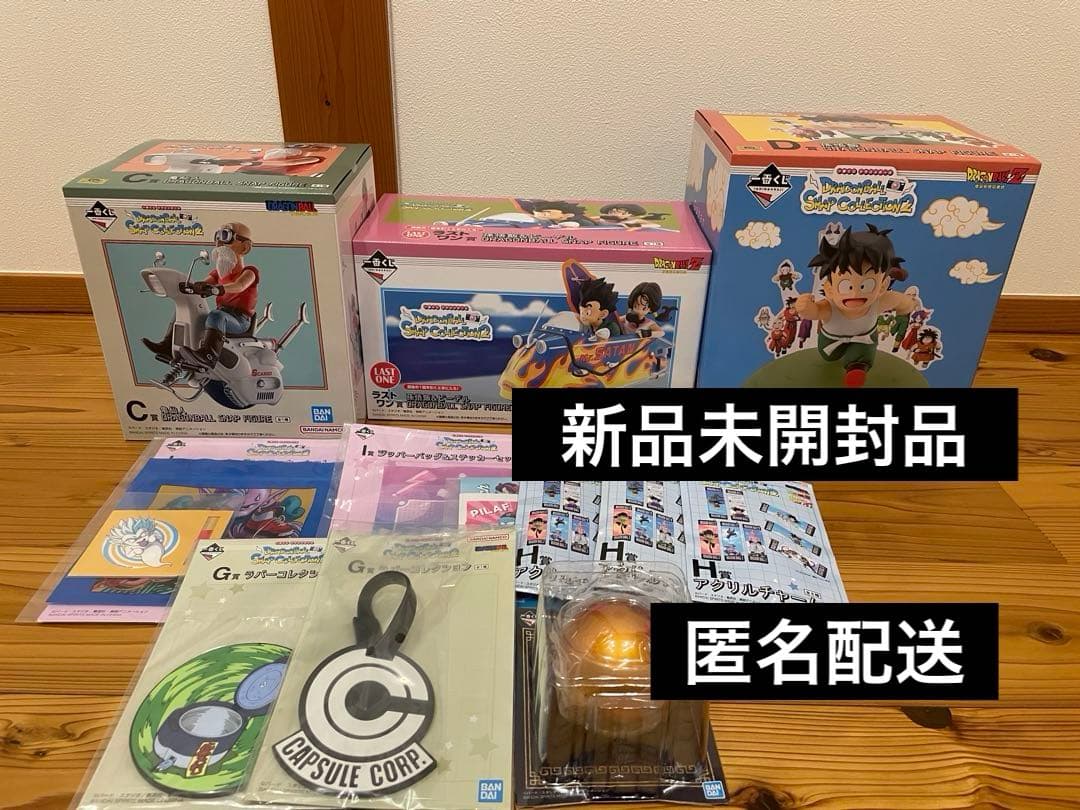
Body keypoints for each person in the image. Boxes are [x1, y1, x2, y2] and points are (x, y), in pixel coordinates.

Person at [795, 224, 915, 387]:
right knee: (829, 357)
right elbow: (815, 311)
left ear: (882, 286)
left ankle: (856, 368)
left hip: (864, 339)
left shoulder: (880, 301)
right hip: (830, 341)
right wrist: (804, 307)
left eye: (867, 285)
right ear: (830, 288)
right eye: (845, 285)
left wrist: (907, 307)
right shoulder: (830, 307)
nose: (855, 293)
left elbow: (901, 302)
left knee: (862, 356)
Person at [143, 223, 260, 369]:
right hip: (222, 315)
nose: (219, 243)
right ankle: (168, 345)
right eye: (217, 237)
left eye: (225, 236)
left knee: (216, 316)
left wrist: (218, 289)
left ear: (245, 247)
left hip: (240, 321)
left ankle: (208, 355)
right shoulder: (219, 273)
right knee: (184, 308)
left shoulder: (250, 272)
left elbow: (240, 285)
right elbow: (205, 283)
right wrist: (194, 287)